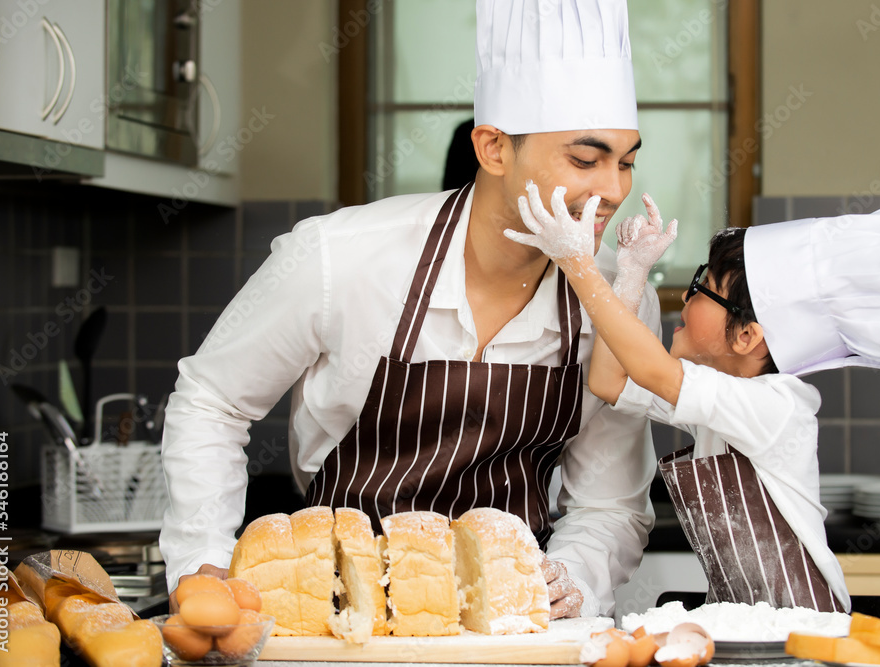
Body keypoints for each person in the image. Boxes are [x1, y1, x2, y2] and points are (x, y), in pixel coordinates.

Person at [160, 0, 658, 620]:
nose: (613, 189)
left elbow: (611, 501)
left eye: (627, 161)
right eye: (586, 160)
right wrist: (200, 558)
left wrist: (574, 577)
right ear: (494, 147)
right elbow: (214, 400)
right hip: (342, 616)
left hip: (507, 624)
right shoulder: (339, 258)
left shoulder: (616, 305)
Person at [506, 184, 880, 611]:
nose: (685, 296)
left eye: (702, 287)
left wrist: (578, 264)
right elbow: (610, 379)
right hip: (743, 622)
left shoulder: (776, 407)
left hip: (806, 626)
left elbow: (650, 369)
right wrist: (633, 273)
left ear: (746, 335)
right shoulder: (722, 400)